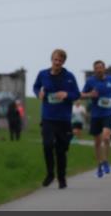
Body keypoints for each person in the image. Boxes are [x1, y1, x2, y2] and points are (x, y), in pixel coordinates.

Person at [33, 49, 80, 188]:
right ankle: (50, 174)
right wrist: (38, 93)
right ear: (51, 60)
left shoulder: (69, 76)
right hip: (48, 117)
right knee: (47, 145)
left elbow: (76, 94)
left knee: (61, 150)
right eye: (55, 60)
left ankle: (61, 177)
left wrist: (66, 94)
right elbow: (36, 87)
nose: (57, 62)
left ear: (63, 62)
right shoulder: (43, 74)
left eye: (60, 60)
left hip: (64, 119)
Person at [80, 60, 111, 178]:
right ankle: (99, 163)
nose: (99, 70)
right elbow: (81, 95)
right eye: (97, 68)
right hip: (96, 114)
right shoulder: (90, 81)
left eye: (101, 67)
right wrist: (90, 94)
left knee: (106, 137)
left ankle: (106, 161)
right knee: (97, 142)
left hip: (108, 112)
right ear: (94, 69)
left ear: (104, 68)